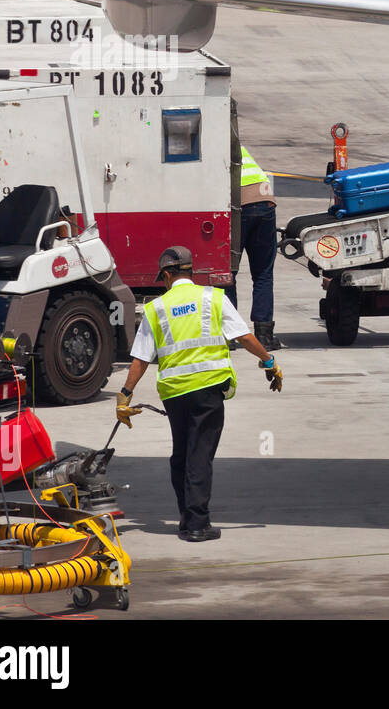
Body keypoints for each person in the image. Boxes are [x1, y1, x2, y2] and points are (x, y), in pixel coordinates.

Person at [121, 245, 283, 542]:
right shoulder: (212, 298)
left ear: (168, 275)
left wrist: (124, 395)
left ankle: (186, 518)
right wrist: (269, 361)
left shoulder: (156, 308)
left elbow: (141, 358)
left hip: (174, 393)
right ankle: (197, 524)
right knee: (200, 455)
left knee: (182, 454)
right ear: (190, 272)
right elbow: (244, 336)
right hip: (208, 389)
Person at [226, 145, 283, 351]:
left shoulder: (210, 139)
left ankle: (230, 334)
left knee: (227, 271)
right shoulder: (234, 139)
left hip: (238, 203)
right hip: (264, 197)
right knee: (263, 274)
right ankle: (264, 335)